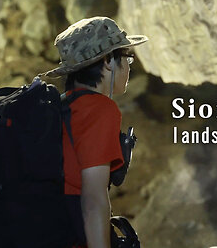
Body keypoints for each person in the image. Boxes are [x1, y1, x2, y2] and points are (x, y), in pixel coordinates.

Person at [42, 16, 148, 248]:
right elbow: (93, 198)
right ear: (109, 60)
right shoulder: (99, 109)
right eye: (127, 58)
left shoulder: (61, 106)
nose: (129, 66)